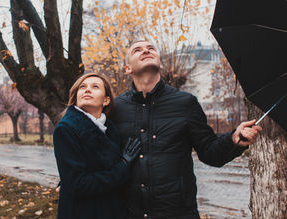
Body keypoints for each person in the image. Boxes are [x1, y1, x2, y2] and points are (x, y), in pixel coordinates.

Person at [112, 40, 263, 219]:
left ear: (160, 63)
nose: (146, 51)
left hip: (178, 213)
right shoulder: (116, 109)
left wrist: (233, 140)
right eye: (137, 50)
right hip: (129, 213)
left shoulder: (185, 103)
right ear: (127, 68)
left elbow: (209, 152)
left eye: (151, 48)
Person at [53, 73, 142, 219]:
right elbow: (78, 184)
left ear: (106, 100)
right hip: (82, 211)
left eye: (95, 87)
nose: (87, 90)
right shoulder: (66, 129)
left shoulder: (110, 128)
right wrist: (123, 166)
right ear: (76, 97)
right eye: (82, 87)